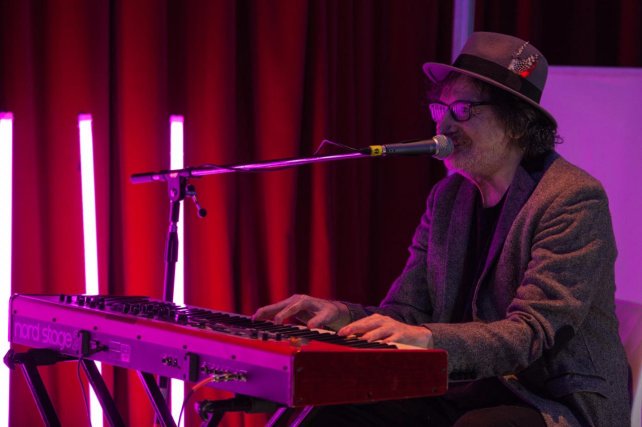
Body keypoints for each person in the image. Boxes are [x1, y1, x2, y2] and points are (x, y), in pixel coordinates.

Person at [253, 32, 631, 426]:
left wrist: (431, 338)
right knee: (334, 404)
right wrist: (340, 317)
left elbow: (532, 332)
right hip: (463, 387)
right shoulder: (447, 198)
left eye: (464, 109)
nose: (444, 124)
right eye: (441, 108)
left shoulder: (571, 198)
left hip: (550, 398)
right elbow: (407, 312)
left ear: (517, 122)